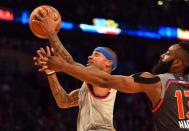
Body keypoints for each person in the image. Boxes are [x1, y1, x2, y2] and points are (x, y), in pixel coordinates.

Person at [35, 41, 189, 131]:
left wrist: (62, 64)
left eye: (168, 53)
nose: (162, 56)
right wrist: (52, 73)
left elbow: (101, 79)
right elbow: (64, 101)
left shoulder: (154, 81)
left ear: (177, 62)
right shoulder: (86, 86)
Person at [33, 45, 118, 131]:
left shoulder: (105, 82)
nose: (90, 56)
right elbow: (64, 102)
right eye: (92, 54)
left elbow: (70, 63)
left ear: (108, 62)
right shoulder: (88, 86)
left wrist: (52, 34)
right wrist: (50, 72)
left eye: (96, 55)